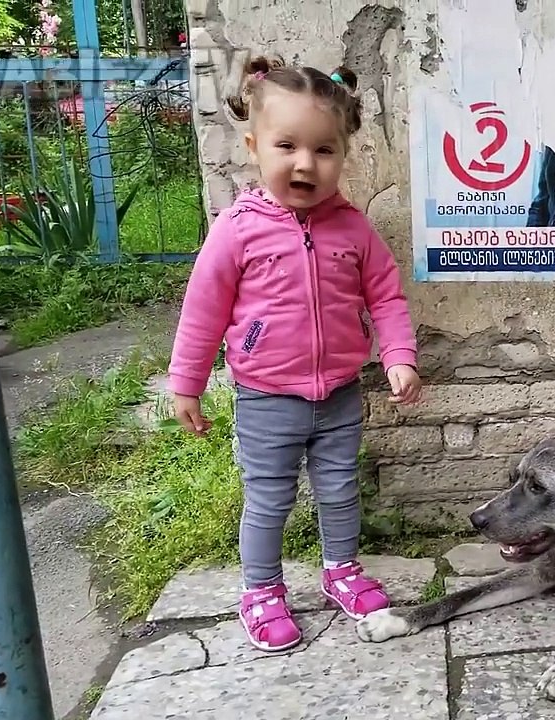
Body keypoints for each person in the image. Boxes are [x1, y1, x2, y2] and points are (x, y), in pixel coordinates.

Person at [166, 55, 422, 653]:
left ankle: (341, 571)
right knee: (269, 498)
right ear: (255, 146)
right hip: (264, 396)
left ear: (342, 153)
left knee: (339, 491)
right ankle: (260, 590)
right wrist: (188, 382)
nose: (305, 163)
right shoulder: (236, 228)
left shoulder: (354, 229)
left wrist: (399, 355)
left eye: (324, 150)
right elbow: (203, 309)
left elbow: (385, 295)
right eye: (287, 146)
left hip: (338, 395)